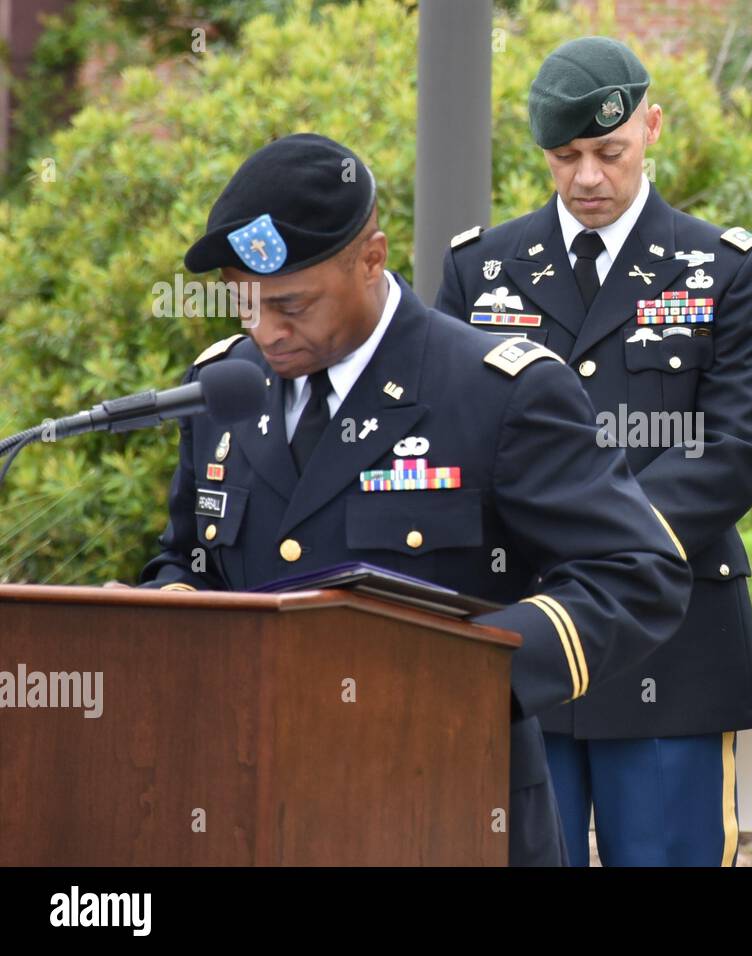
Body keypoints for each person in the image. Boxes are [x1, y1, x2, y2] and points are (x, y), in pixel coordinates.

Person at [137, 132, 691, 866]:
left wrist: (460, 675)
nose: (263, 330)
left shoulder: (498, 392)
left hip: (448, 804)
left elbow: (638, 571)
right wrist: (171, 600)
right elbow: (188, 555)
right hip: (254, 803)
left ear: (371, 258)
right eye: (245, 303)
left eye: (291, 305)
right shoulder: (225, 389)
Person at [436, 36, 752, 866]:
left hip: (670, 629)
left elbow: (735, 446)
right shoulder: (480, 269)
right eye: (565, 156)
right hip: (522, 630)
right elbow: (450, 437)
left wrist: (608, 546)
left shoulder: (721, 269)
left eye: (609, 151)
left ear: (652, 127)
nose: (588, 177)